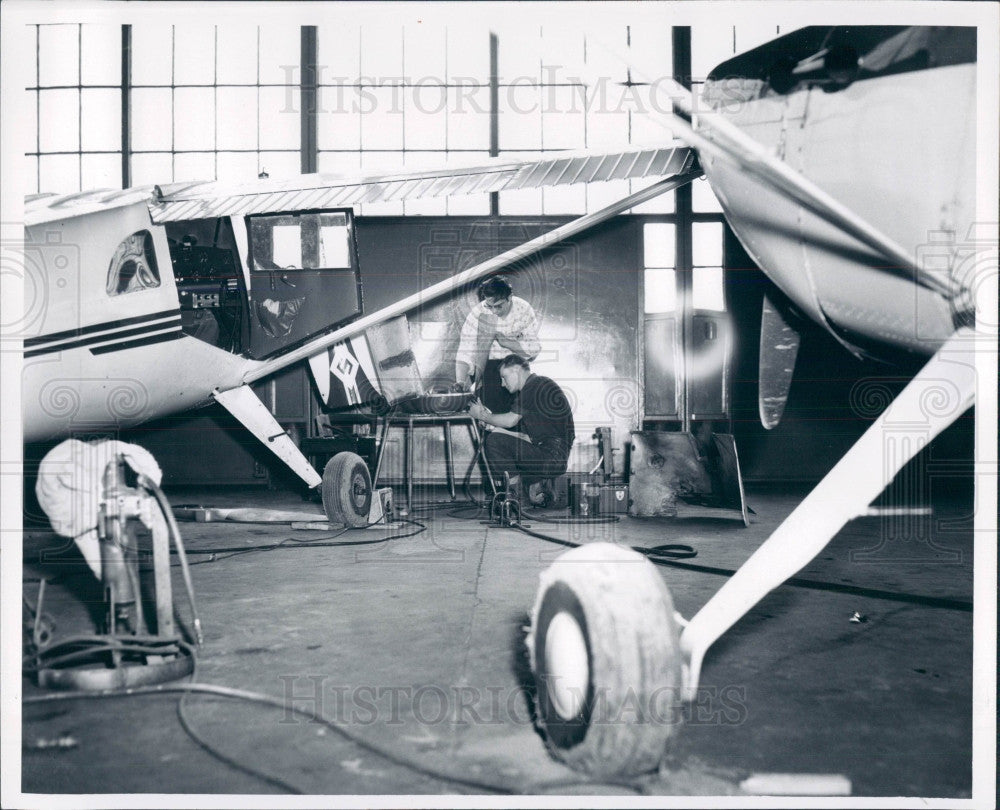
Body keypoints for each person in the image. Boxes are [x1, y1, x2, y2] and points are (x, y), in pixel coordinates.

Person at [468, 355, 574, 506]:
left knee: (494, 442)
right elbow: (524, 437)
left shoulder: (535, 384)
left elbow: (510, 420)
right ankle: (532, 489)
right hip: (551, 454)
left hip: (552, 456)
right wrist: (493, 426)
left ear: (516, 370)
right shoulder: (538, 387)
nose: (503, 384)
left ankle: (515, 497)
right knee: (495, 437)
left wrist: (482, 415)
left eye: (504, 377)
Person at [455, 275, 540, 413]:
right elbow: (465, 350)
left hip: (516, 368)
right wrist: (460, 381)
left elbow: (533, 350)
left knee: (518, 418)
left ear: (509, 297)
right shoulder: (478, 312)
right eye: (490, 306)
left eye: (499, 306)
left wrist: (508, 343)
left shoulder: (523, 310)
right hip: (488, 370)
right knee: (488, 415)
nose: (494, 311)